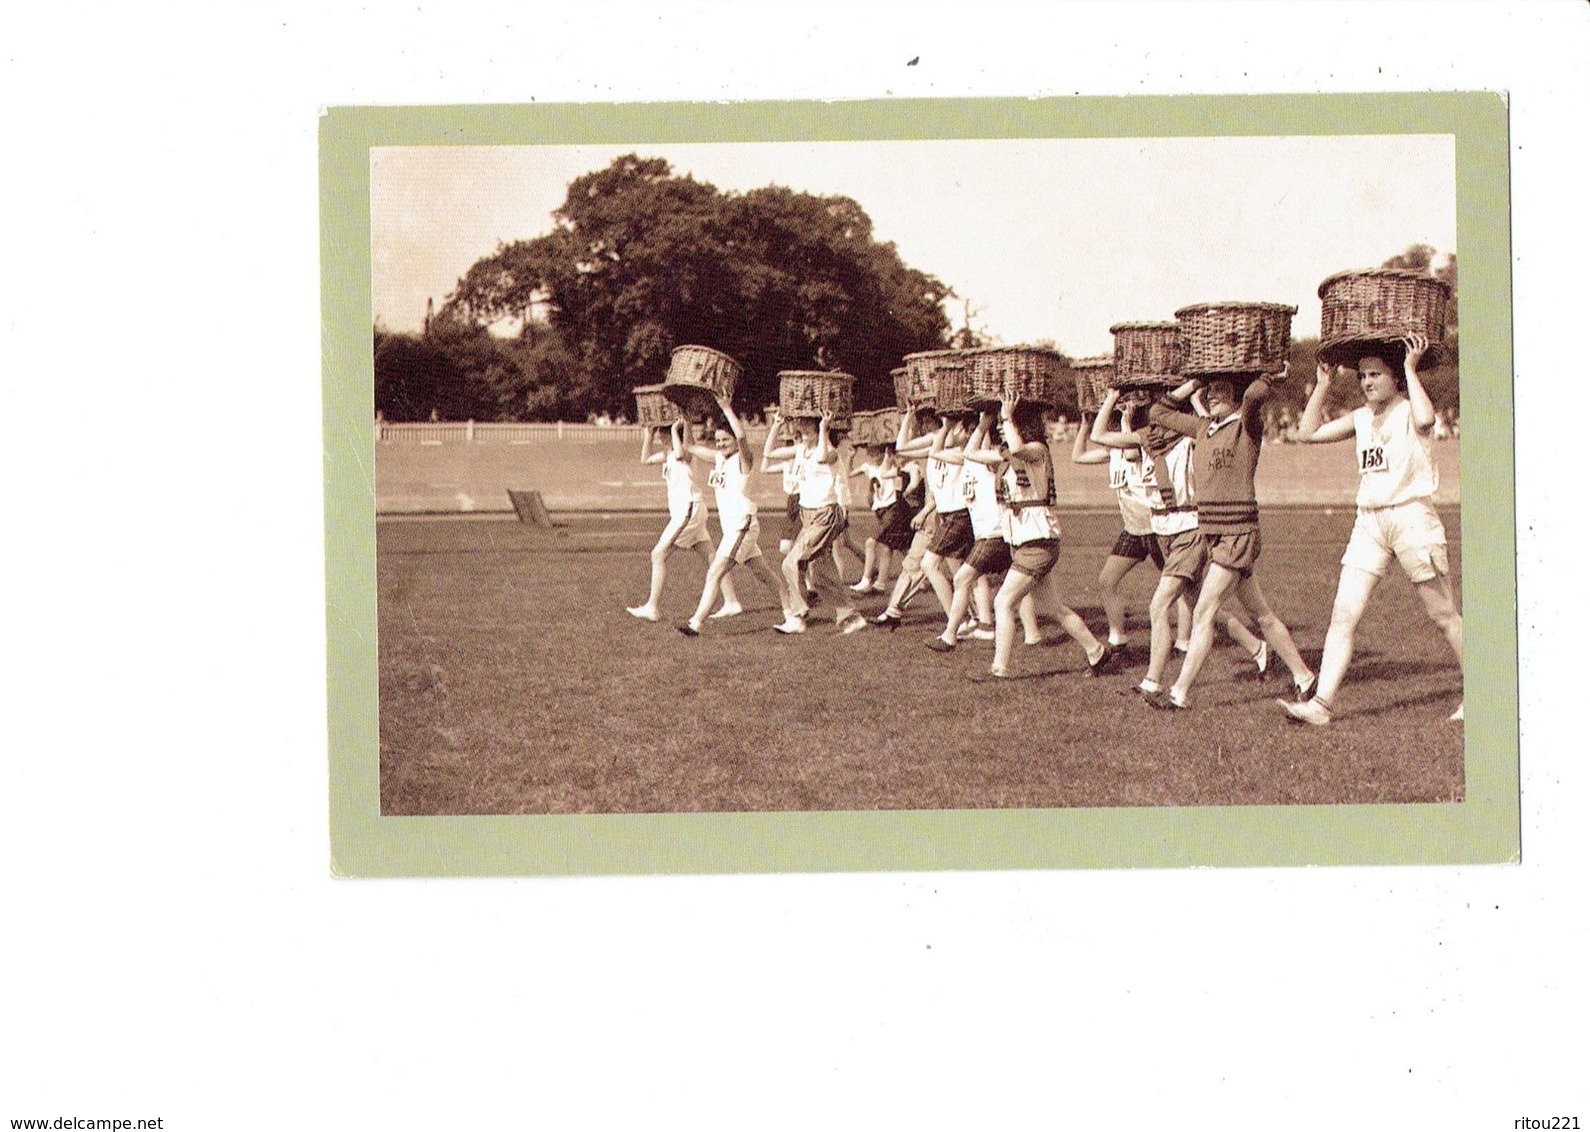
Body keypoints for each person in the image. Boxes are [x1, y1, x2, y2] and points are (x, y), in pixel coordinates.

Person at [1280, 333, 1463, 724]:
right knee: (1343, 615)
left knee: (1443, 614)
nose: (1367, 382)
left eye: (1376, 374)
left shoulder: (1410, 408)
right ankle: (1321, 704)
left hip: (1412, 516)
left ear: (1394, 377)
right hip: (1371, 522)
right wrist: (1324, 386)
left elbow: (1427, 419)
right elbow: (1305, 433)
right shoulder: (1362, 417)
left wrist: (1411, 369)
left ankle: (1483, 690)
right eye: (1362, 375)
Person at [1144, 368, 1314, 709]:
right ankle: (1305, 676)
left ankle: (1178, 693)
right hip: (1215, 535)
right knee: (1262, 615)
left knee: (1205, 611)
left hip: (1238, 534)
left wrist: (1267, 376)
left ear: (1235, 394)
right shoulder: (1203, 428)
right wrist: (1195, 381)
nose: (1212, 396)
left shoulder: (1246, 426)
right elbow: (1158, 413)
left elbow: (1253, 397)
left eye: (1221, 390)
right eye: (1210, 391)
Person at [1088, 387, 1272, 685]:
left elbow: (1211, 428)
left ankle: (1152, 681)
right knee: (1202, 602)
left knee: (1159, 605)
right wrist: (1111, 397)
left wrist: (1196, 391)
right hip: (1162, 531)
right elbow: (1099, 436)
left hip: (1188, 528)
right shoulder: (1146, 437)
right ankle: (1257, 647)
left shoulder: (1191, 437)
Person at [987, 397, 1117, 680]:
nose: (1000, 427)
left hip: (1038, 541)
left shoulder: (1037, 449)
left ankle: (1000, 667)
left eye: (1006, 423)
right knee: (1053, 608)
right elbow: (973, 454)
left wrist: (1007, 417)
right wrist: (990, 421)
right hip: (1025, 541)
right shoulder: (1009, 457)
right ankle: (1097, 651)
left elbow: (1019, 447)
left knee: (1003, 602)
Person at [676, 398, 793, 637]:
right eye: (717, 440)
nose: (720, 444)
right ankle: (793, 611)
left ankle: (695, 623)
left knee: (716, 571)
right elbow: (689, 447)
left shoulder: (744, 459)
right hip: (733, 528)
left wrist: (727, 409)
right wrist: (687, 420)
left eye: (724, 439)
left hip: (743, 524)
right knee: (765, 575)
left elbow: (742, 437)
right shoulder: (719, 459)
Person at [626, 418, 740, 622]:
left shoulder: (684, 453)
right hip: (690, 510)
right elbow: (644, 459)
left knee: (658, 554)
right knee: (712, 557)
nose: (661, 436)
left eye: (664, 433)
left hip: (688, 510)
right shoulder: (667, 455)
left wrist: (676, 429)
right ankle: (732, 601)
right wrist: (648, 436)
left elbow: (681, 452)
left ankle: (652, 607)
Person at [764, 412, 868, 635]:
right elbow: (769, 452)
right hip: (807, 515)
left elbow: (822, 457)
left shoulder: (830, 452)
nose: (804, 429)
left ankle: (797, 616)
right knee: (821, 574)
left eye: (810, 426)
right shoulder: (801, 450)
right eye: (803, 425)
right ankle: (850, 616)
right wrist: (776, 425)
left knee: (790, 563)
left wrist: (823, 429)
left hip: (825, 514)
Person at [925, 409, 1005, 650]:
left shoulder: (984, 456)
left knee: (962, 577)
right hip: (987, 532)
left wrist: (984, 422)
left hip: (995, 532)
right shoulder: (965, 456)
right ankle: (992, 627)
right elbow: (935, 451)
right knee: (1019, 589)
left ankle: (953, 632)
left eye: (963, 428)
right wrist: (946, 427)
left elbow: (969, 449)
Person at [850, 441, 917, 594]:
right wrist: (851, 457)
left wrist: (888, 452)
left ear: (884, 452)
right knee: (893, 547)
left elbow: (888, 470)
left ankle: (866, 579)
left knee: (870, 542)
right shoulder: (869, 468)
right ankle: (883, 583)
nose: (872, 456)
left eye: (875, 452)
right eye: (870, 452)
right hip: (880, 511)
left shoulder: (892, 467)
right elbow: (848, 472)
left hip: (892, 510)